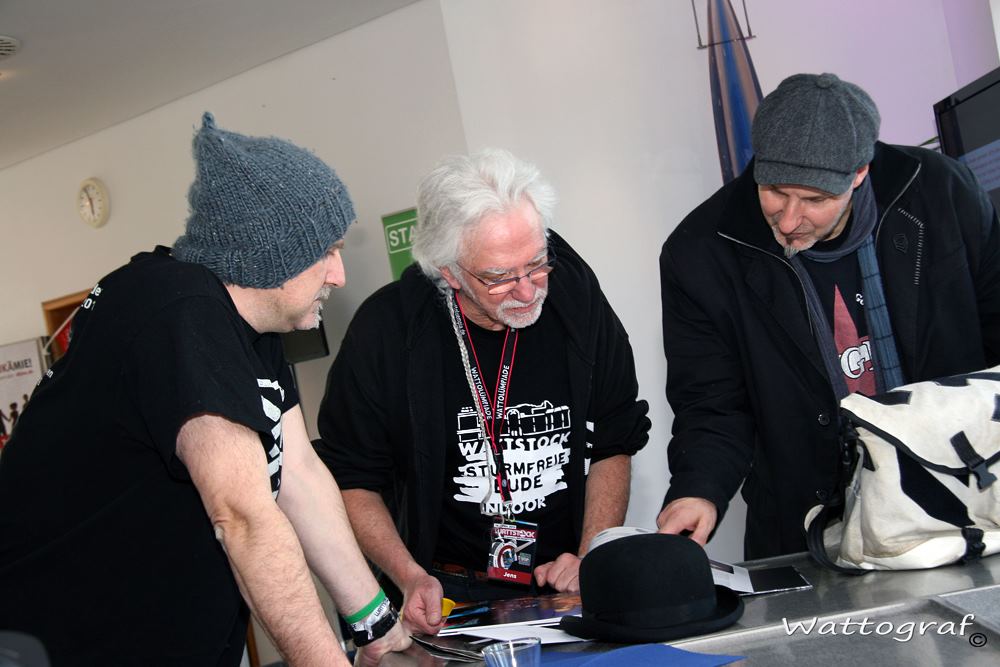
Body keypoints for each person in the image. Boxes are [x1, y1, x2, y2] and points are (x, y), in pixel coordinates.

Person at [0, 113, 410, 666]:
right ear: (272, 254)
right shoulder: (179, 313)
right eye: (325, 253)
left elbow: (300, 475)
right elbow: (242, 515)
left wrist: (377, 626)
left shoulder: (252, 326)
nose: (338, 275)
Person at [657, 73, 1000, 559]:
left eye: (816, 200)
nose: (789, 219)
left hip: (962, 499)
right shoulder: (700, 253)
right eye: (775, 190)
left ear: (859, 173)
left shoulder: (942, 194)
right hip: (808, 526)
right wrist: (699, 491)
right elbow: (712, 404)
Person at [315, 148, 650, 635]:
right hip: (448, 591)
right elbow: (353, 477)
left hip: (563, 578)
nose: (528, 291)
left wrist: (589, 553)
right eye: (499, 277)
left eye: (537, 264)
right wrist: (408, 576)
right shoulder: (385, 331)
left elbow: (615, 435)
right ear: (448, 271)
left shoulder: (577, 302)